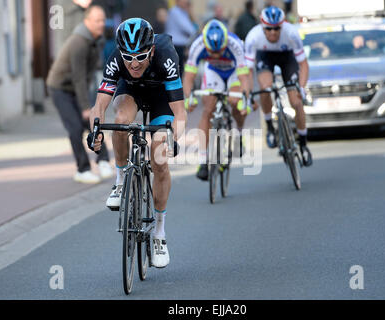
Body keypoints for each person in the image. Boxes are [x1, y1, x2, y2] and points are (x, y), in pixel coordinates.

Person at [89, 18, 187, 268]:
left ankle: (159, 233)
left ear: (151, 50)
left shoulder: (165, 55)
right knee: (120, 121)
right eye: (128, 56)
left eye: (141, 56)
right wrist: (95, 130)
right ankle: (121, 182)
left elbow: (180, 113)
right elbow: (99, 105)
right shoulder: (115, 58)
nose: (133, 63)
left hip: (161, 97)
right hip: (131, 92)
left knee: (159, 155)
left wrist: (174, 137)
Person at [47, 5, 113, 184]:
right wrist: (85, 106)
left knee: (93, 122)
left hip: (78, 87)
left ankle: (104, 160)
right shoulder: (79, 42)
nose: (101, 24)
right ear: (87, 22)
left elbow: (88, 74)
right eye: (97, 20)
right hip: (61, 89)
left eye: (102, 20)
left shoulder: (97, 39)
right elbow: (78, 78)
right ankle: (82, 169)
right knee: (75, 128)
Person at [183, 19, 253, 181]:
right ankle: (203, 160)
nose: (215, 55)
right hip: (213, 72)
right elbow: (188, 77)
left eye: (219, 51)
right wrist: (189, 98)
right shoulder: (198, 45)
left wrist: (245, 99)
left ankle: (239, 134)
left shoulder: (235, 44)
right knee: (208, 109)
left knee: (236, 102)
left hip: (234, 72)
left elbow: (245, 78)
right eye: (211, 52)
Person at [244, 6, 312, 166]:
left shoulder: (291, 33)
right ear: (262, 25)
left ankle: (303, 144)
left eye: (277, 28)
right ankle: (270, 126)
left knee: (296, 101)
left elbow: (304, 65)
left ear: (282, 25)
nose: (273, 32)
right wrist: (247, 93)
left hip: (287, 57)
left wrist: (301, 87)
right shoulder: (253, 36)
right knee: (265, 87)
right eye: (269, 28)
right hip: (264, 57)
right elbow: (247, 71)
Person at [165, 0, 198, 76]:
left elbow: (194, 27)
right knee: (176, 71)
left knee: (181, 70)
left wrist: (190, 12)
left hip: (180, 46)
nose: (186, 2)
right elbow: (190, 29)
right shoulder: (175, 11)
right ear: (178, 1)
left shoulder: (183, 12)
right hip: (176, 46)